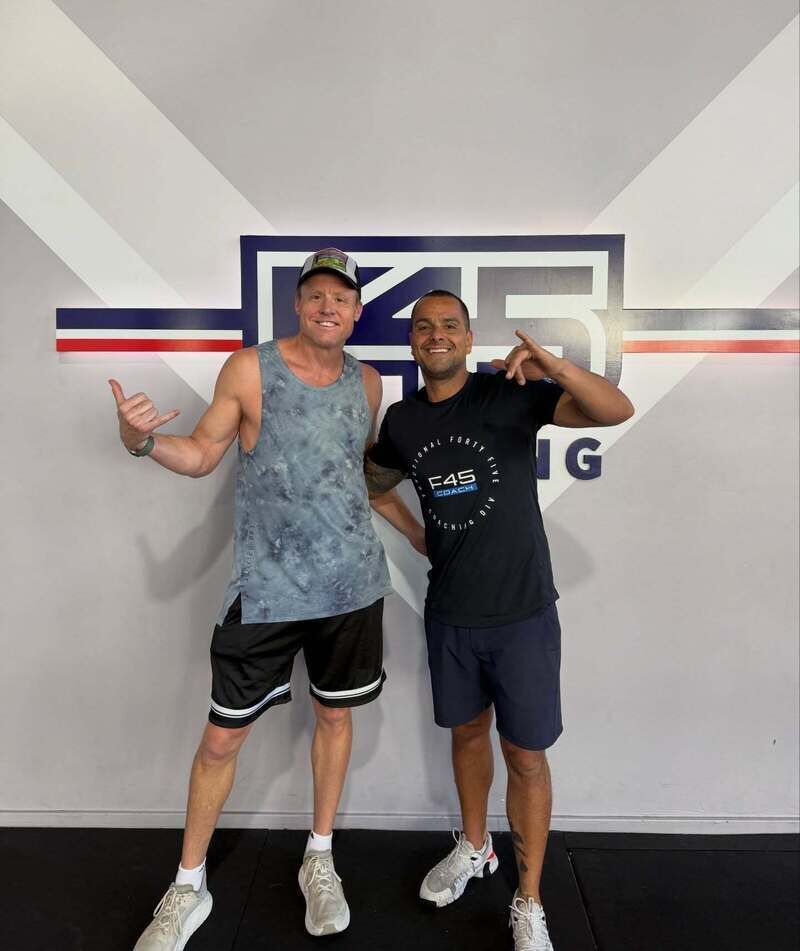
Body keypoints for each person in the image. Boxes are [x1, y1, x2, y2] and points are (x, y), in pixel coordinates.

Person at [111, 249, 419, 950]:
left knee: (334, 717)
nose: (328, 307)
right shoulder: (250, 369)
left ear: (356, 311)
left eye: (341, 298)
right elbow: (200, 455)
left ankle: (319, 856)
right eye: (316, 295)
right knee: (222, 738)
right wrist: (141, 441)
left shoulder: (368, 383)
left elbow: (359, 476)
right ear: (299, 304)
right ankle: (188, 886)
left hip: (350, 589)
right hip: (267, 592)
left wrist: (416, 533)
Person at [365, 289, 634, 951]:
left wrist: (556, 368)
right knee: (466, 734)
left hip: (522, 613)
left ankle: (529, 897)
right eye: (423, 326)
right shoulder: (403, 420)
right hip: (451, 613)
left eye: (449, 324)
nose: (436, 334)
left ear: (467, 337)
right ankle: (476, 846)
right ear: (412, 341)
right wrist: (416, 535)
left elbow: (615, 409)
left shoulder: (509, 395)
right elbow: (371, 481)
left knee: (526, 756)